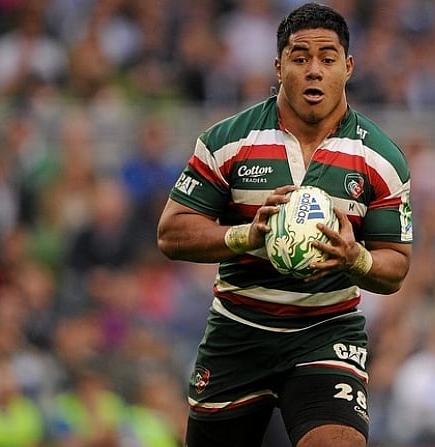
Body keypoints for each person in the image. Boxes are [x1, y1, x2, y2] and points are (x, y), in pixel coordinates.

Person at [156, 3, 413, 446]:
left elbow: (397, 267)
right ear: (278, 66)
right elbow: (171, 232)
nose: (314, 70)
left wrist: (357, 258)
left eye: (327, 59)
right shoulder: (228, 141)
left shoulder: (381, 160)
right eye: (300, 58)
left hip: (326, 333)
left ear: (347, 67)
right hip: (239, 330)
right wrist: (244, 235)